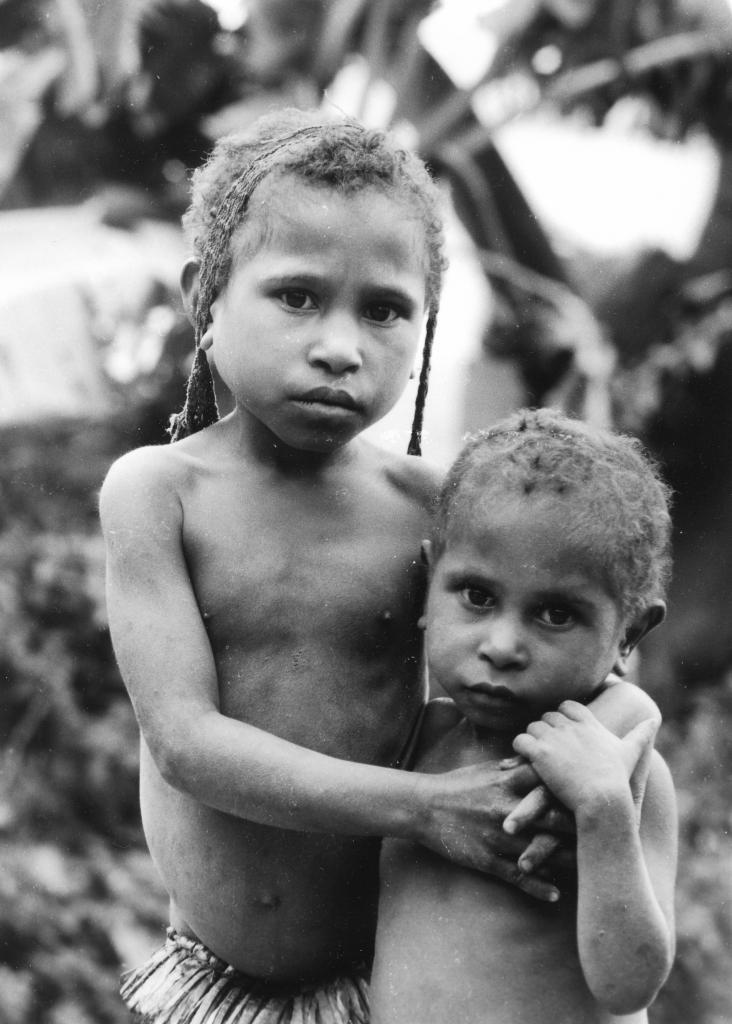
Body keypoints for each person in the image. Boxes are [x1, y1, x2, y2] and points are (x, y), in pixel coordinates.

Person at [99, 110, 660, 1023]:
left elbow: (565, 641)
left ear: (426, 330)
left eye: (386, 310)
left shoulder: (435, 509)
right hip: (210, 984)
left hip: (387, 986)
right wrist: (425, 806)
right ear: (207, 295)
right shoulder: (159, 494)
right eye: (297, 295)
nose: (340, 347)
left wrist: (627, 719)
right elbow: (185, 745)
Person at [370, 408, 678, 1024]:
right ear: (431, 583)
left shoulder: (622, 773)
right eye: (478, 597)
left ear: (630, 633)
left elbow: (628, 985)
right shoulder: (419, 740)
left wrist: (605, 813)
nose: (503, 646)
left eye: (556, 614)